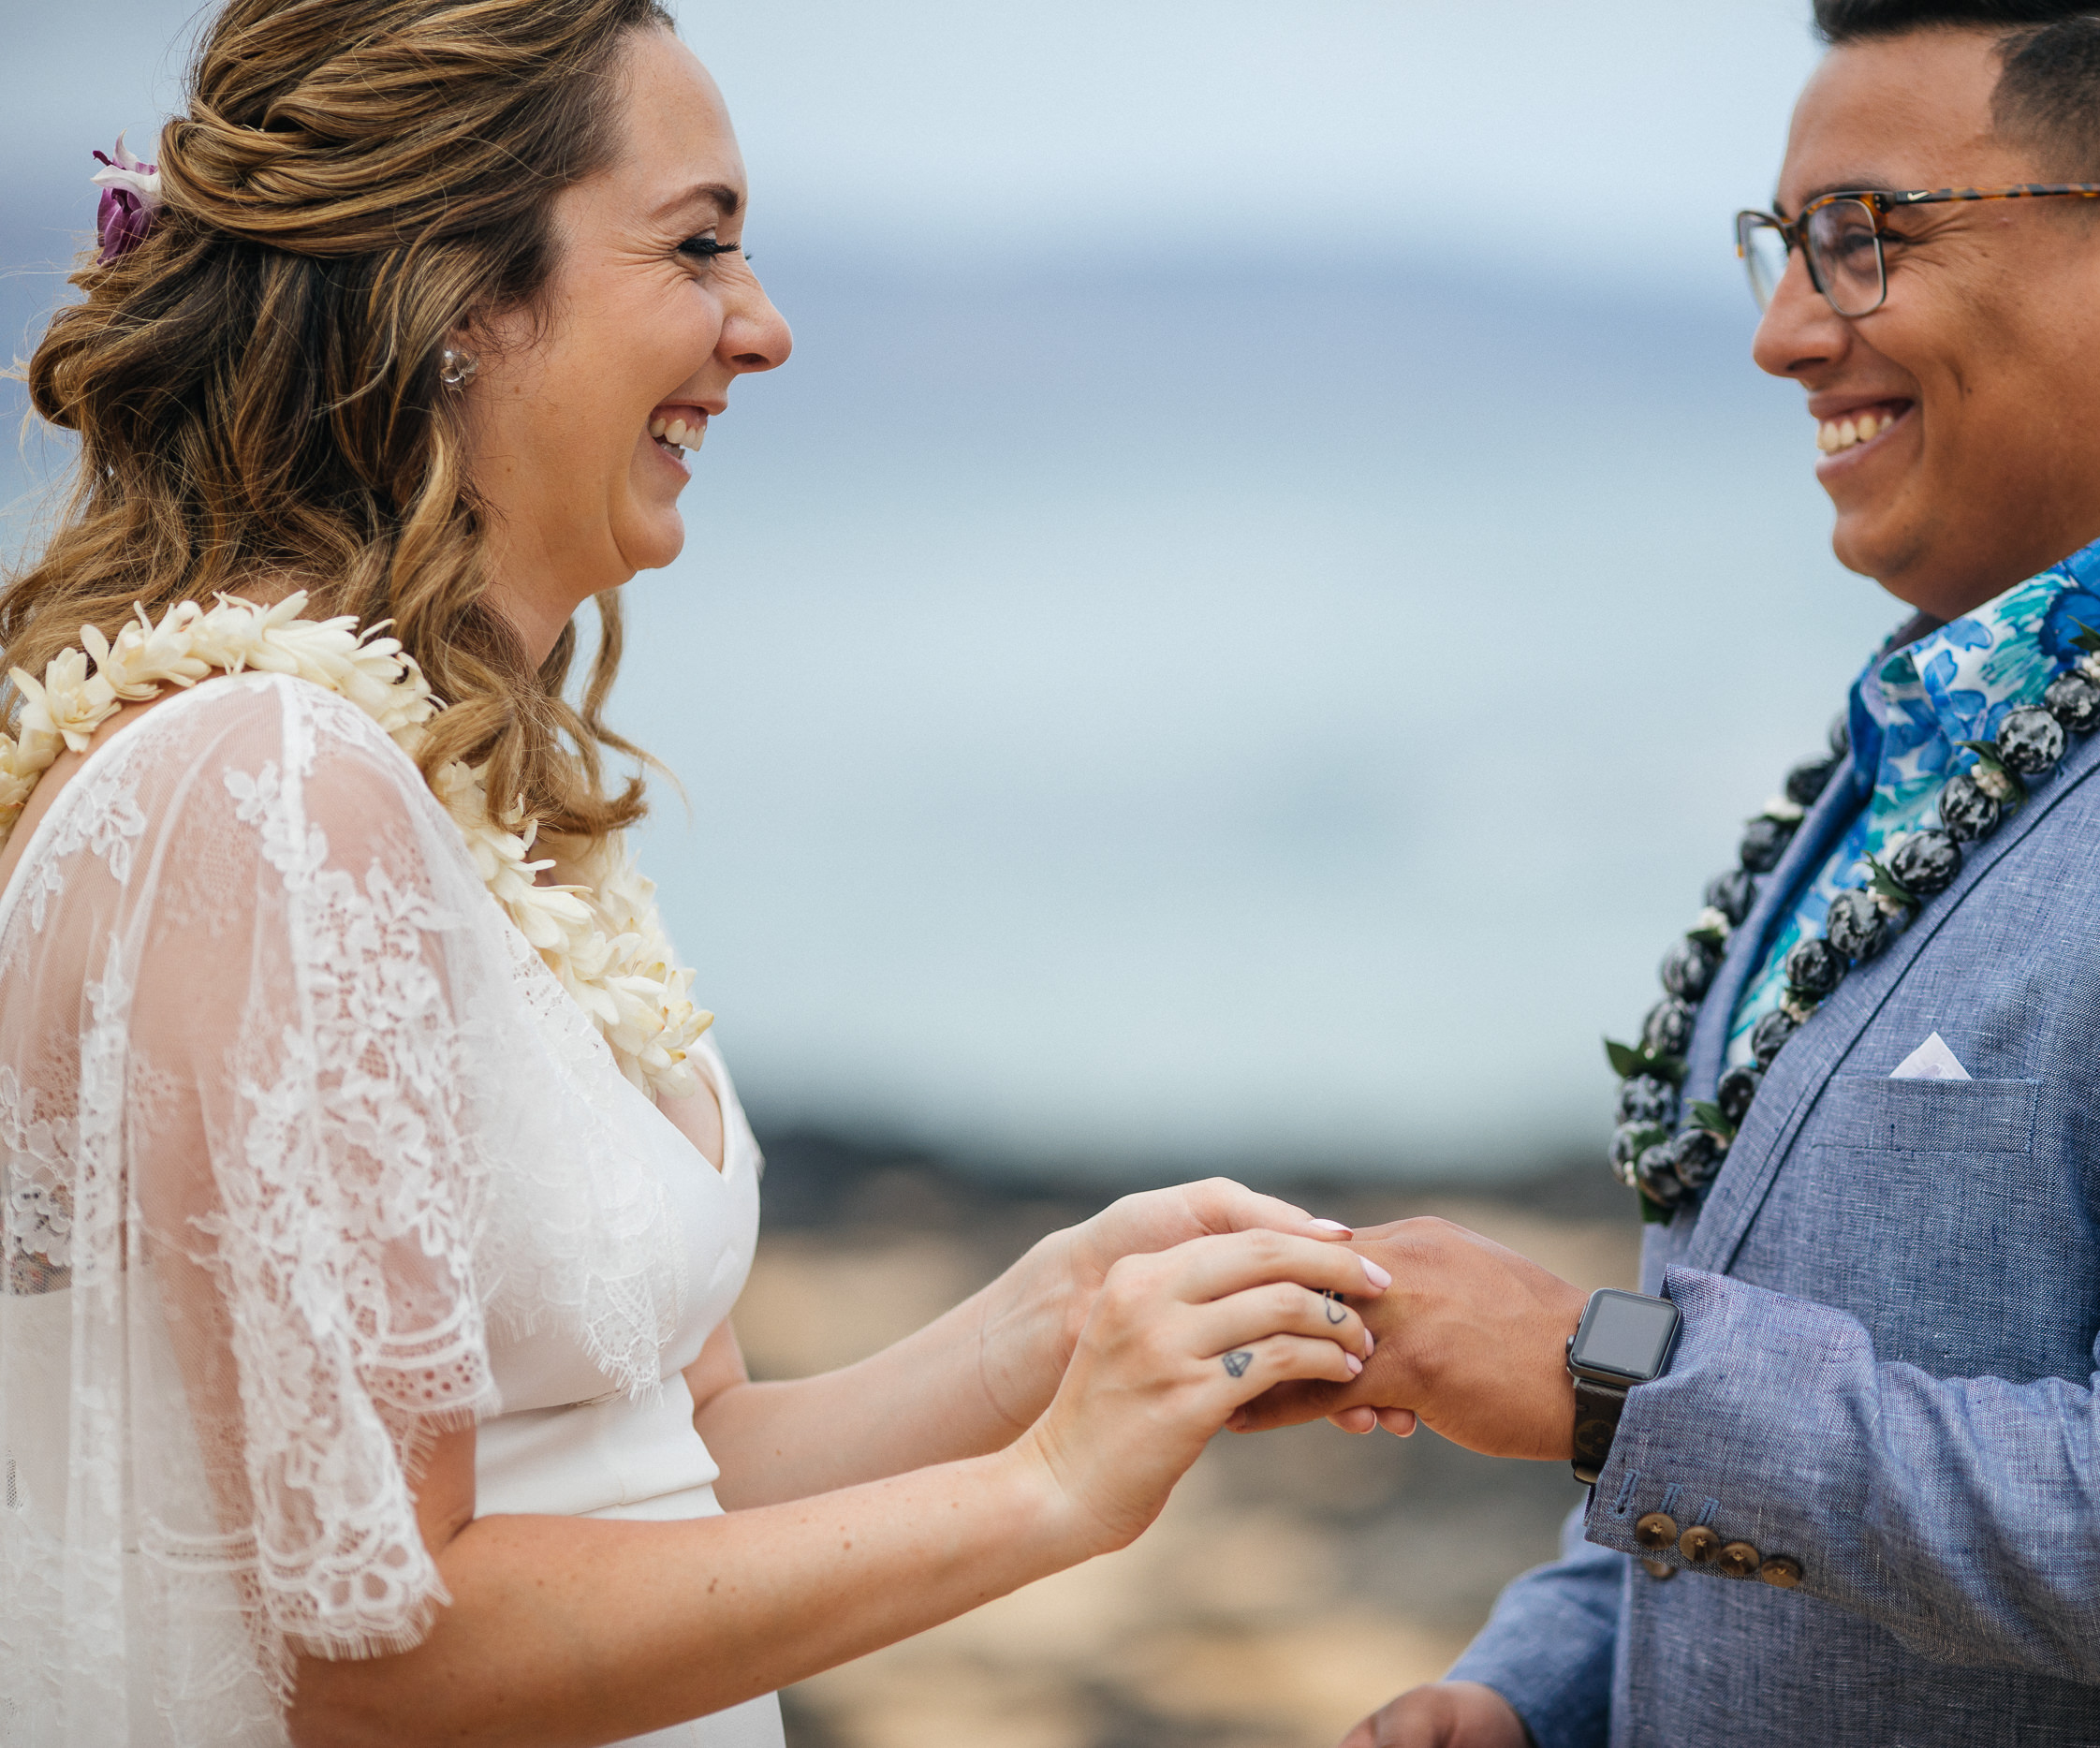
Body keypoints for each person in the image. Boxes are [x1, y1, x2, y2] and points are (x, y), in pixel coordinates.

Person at [0, 4, 1390, 1744]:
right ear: (457, 301)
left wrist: (1060, 1315)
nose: (766, 326)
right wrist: (1046, 1492)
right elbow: (381, 1653)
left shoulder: (458, 789)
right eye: (700, 244)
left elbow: (675, 1466)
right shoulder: (268, 788)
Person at [1236, 2, 2100, 1742]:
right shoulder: (1953, 732)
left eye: (1861, 241)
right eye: (1784, 244)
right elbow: (1807, 1390)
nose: (1783, 334)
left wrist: (1597, 1379)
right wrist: (1535, 1694)